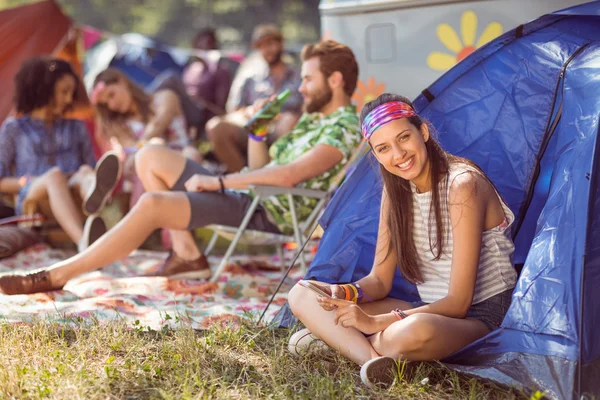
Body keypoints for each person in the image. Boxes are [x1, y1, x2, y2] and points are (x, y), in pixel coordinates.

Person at [0, 40, 362, 296]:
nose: (300, 87)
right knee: (148, 156)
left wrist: (220, 181)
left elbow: (288, 177)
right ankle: (188, 255)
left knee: (154, 204)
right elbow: (263, 167)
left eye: (308, 79)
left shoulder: (343, 126)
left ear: (335, 81)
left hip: (265, 211)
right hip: (253, 197)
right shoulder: (312, 121)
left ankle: (59, 274)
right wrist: (258, 131)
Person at [287, 93, 518, 388]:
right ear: (375, 154)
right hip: (429, 306)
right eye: (383, 148)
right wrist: (341, 293)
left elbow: (459, 303)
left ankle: (345, 343)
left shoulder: (463, 185)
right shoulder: (395, 193)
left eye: (404, 138)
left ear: (422, 132)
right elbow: (380, 282)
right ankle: (373, 361)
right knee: (301, 294)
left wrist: (373, 323)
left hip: (480, 317)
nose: (398, 155)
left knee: (413, 331)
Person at [0, 57, 121, 250]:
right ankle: (84, 243)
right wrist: (25, 181)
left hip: (73, 185)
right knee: (54, 176)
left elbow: (88, 164)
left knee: (84, 171)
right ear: (44, 89)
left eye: (71, 93)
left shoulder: (76, 127)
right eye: (64, 92)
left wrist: (88, 175)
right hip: (34, 191)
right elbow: (1, 180)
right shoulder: (14, 128)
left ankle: (94, 194)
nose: (68, 99)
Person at [206, 24, 303, 172]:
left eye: (270, 44)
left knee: (288, 123)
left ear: (281, 44)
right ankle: (244, 181)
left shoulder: (299, 76)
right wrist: (253, 112)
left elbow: (310, 106)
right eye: (261, 46)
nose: (267, 50)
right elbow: (232, 111)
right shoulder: (250, 77)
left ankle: (276, 180)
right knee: (215, 127)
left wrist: (290, 116)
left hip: (287, 129)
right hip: (254, 126)